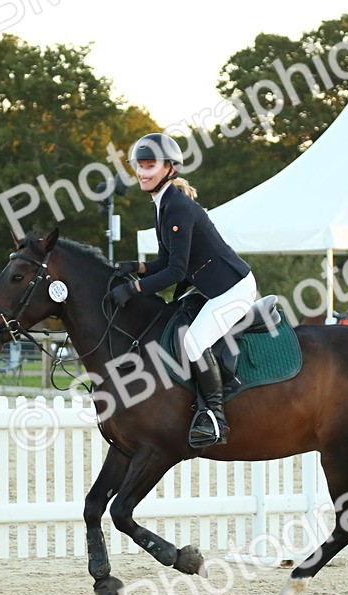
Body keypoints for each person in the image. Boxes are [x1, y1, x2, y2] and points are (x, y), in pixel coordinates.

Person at [110, 132, 257, 448]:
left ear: (169, 169)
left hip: (233, 289)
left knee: (193, 342)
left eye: (150, 166)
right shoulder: (162, 204)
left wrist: (134, 289)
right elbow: (166, 259)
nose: (143, 172)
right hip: (210, 287)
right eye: (140, 165)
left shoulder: (177, 207)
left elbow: (176, 271)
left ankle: (215, 416)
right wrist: (135, 267)